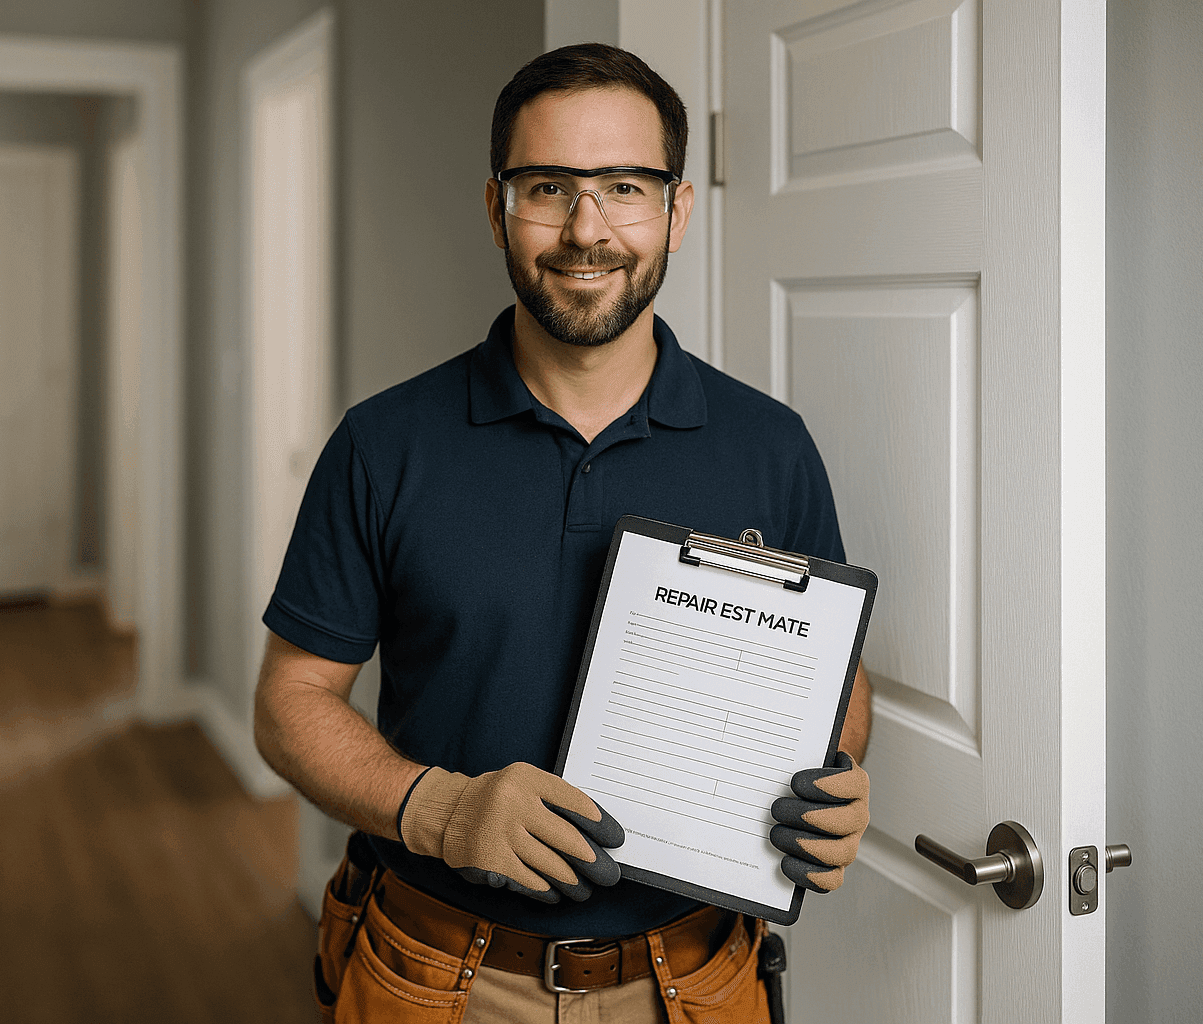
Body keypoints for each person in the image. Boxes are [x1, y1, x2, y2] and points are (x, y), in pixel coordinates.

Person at [254, 43, 872, 1024]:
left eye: (625, 185)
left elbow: (832, 678)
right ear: (497, 206)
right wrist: (444, 810)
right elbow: (291, 699)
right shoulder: (383, 444)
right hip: (437, 976)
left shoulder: (771, 447)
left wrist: (834, 779)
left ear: (678, 208)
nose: (587, 230)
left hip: (699, 983)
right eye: (549, 186)